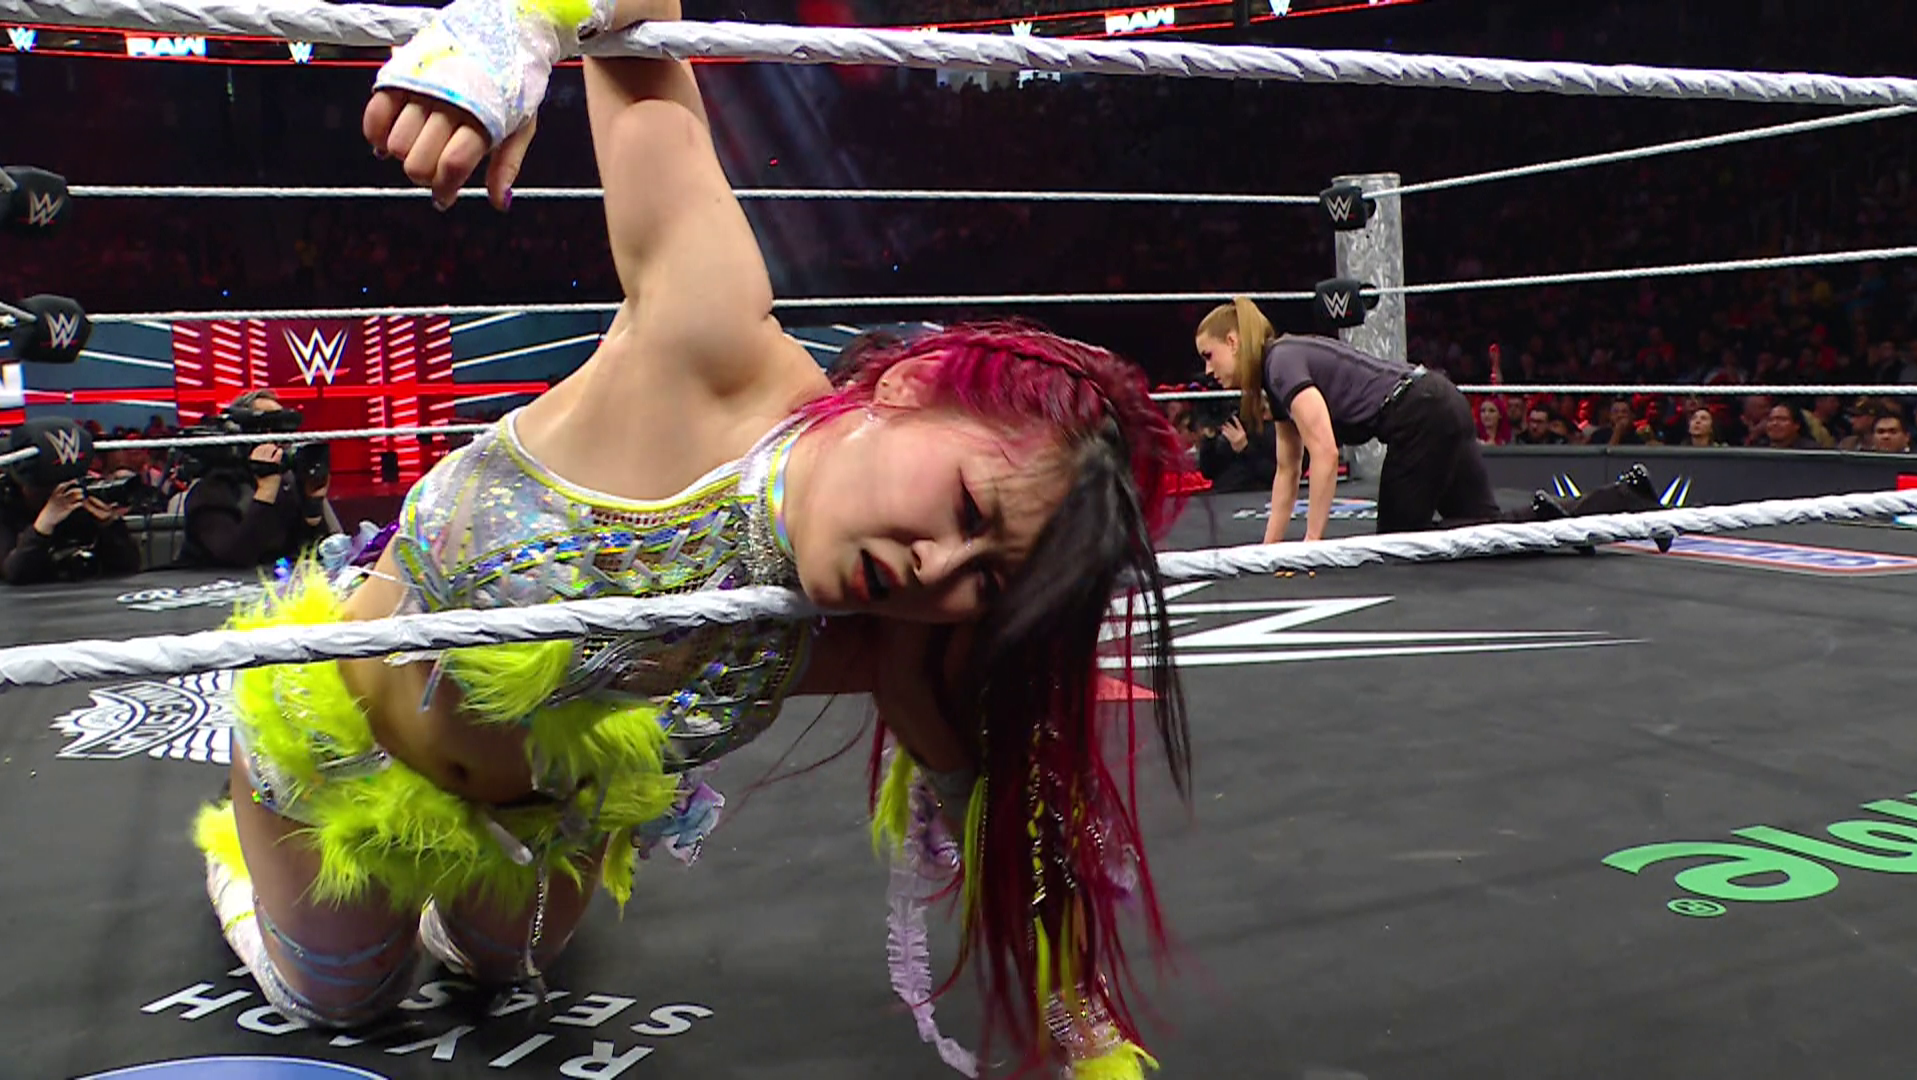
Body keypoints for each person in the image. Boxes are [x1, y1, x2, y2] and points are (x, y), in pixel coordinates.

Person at [190, 2, 1190, 1077]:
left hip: (545, 822)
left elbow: (1002, 819)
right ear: (910, 387)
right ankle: (240, 867)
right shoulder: (710, 345)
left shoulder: (887, 627)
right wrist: (512, 36)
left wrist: (1085, 1035)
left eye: (986, 583)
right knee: (342, 1003)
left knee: (496, 972)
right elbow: (644, 14)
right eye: (966, 509)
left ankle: (457, 919)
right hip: (347, 747)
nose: (937, 567)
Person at [1195, 297, 1506, 537]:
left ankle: (1536, 516)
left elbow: (1325, 453)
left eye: (1209, 356)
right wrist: (1269, 549)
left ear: (1233, 342)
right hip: (1438, 400)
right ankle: (1536, 518)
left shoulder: (1280, 365)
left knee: (1398, 541)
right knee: (1488, 530)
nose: (1208, 370)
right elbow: (1287, 469)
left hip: (1422, 413)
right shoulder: (1277, 369)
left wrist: (1312, 542)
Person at [177, 391, 343, 570]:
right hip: (213, 582)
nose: (279, 442)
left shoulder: (288, 485)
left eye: (283, 432)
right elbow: (234, 557)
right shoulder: (213, 489)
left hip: (274, 581)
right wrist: (266, 492)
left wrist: (313, 505)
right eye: (268, 430)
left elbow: (314, 554)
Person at [0, 417, 142, 585]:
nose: (59, 494)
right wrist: (44, 525)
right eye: (49, 487)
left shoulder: (78, 505)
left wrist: (111, 526)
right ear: (22, 485)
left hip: (84, 596)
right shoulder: (6, 508)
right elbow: (14, 574)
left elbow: (130, 566)